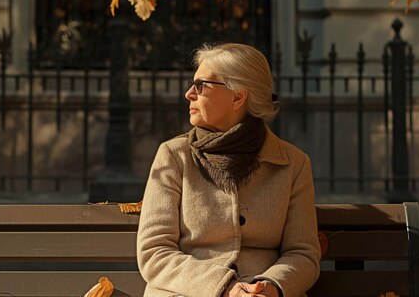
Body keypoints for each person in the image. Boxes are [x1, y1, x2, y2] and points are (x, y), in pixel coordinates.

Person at [136, 43, 321, 297]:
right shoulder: (174, 156)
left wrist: (271, 287)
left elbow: (303, 253)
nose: (189, 93)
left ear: (237, 96)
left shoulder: (293, 163)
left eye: (200, 85)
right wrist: (226, 288)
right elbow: (154, 253)